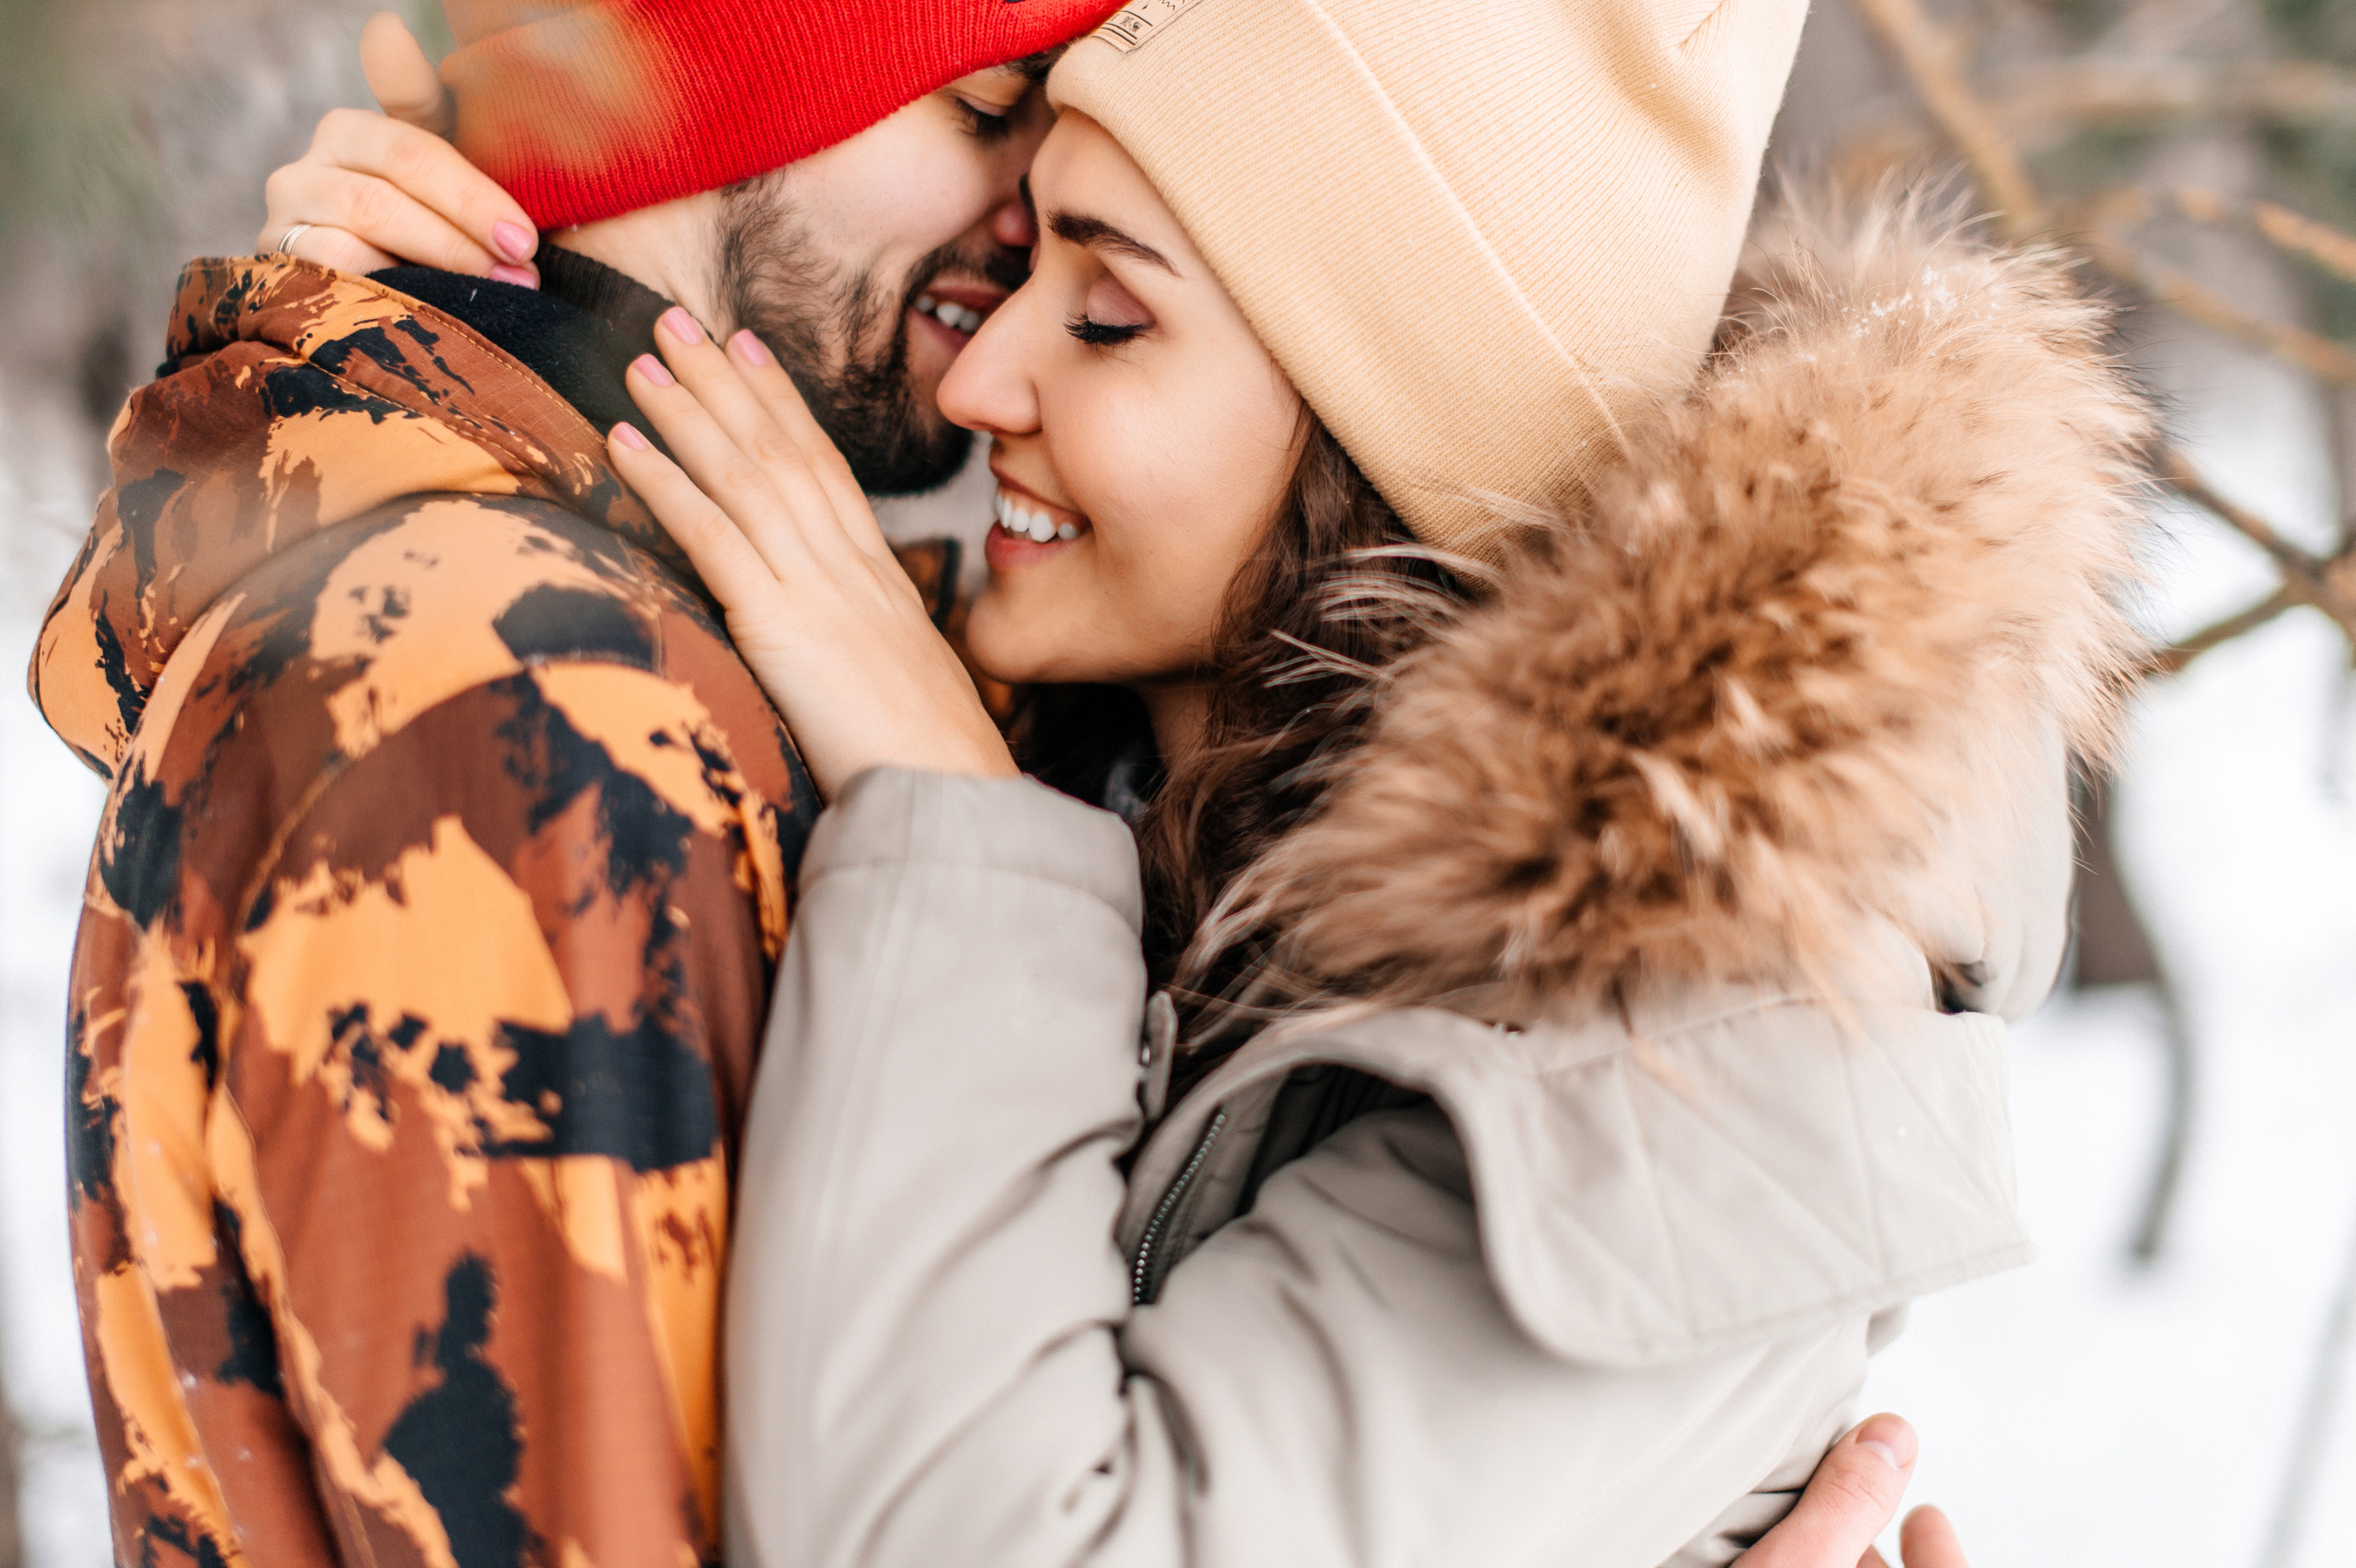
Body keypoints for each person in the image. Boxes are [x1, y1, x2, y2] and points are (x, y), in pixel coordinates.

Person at [562, 5, 2150, 1567]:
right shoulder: (1158, 792)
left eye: (1110, 317)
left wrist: (947, 808)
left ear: (1376, 423)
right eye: (1028, 264)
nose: (984, 383)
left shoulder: (1697, 1037)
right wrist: (408, 289)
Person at [28, 2, 1120, 1562]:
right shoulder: (519, 687)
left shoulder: (631, 627)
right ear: (713, 82)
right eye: (983, 105)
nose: (1037, 214)